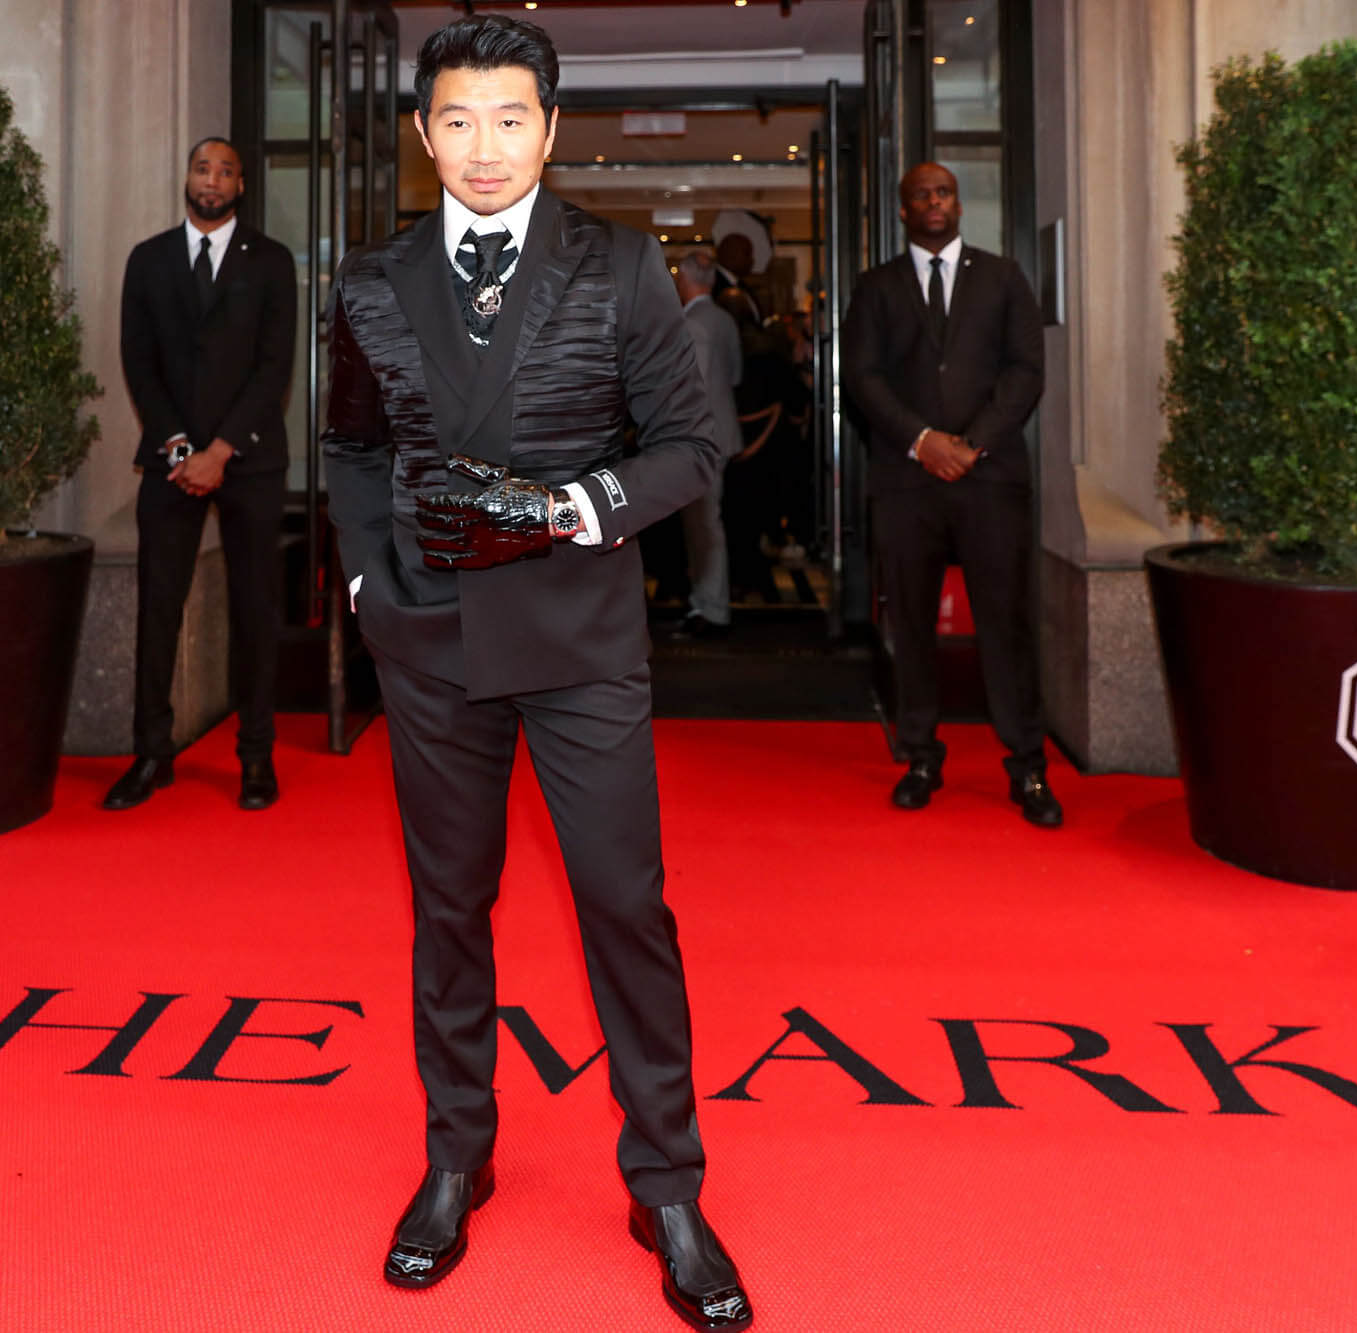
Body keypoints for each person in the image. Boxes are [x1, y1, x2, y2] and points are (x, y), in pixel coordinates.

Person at [321, 16, 753, 1330]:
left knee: (625, 906)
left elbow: (692, 446)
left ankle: (666, 1184)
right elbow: (350, 448)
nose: (485, 146)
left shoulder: (618, 266)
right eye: (458, 120)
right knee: (449, 910)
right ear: (423, 133)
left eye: (511, 119)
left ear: (551, 130)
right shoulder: (370, 280)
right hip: (428, 638)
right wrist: (363, 584)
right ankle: (457, 1155)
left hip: (580, 637)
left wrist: (571, 509)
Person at [841, 162, 1062, 827]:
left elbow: (1026, 370)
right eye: (921, 195)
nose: (934, 202)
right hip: (907, 483)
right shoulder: (875, 287)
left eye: (944, 193)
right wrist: (922, 441)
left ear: (958, 205)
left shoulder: (1003, 277)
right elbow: (862, 377)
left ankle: (1027, 765)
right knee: (911, 623)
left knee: (1006, 624)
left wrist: (972, 443)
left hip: (990, 479)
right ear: (903, 209)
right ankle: (920, 757)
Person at [105, 137, 296, 813]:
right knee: (158, 608)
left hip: (250, 459)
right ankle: (151, 754)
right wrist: (182, 447)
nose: (211, 180)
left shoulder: (272, 262)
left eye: (224, 171)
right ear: (187, 178)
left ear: (241, 185)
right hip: (171, 460)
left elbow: (274, 367)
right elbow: (138, 360)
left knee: (254, 610)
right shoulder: (148, 259)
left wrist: (219, 452)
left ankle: (256, 755)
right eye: (201, 168)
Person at [670, 250, 742, 638]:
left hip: (699, 438)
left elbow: (689, 390)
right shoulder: (725, 319)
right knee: (705, 522)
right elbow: (735, 376)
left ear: (685, 280)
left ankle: (710, 608)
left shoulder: (692, 323)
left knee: (703, 525)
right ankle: (706, 602)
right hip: (720, 432)